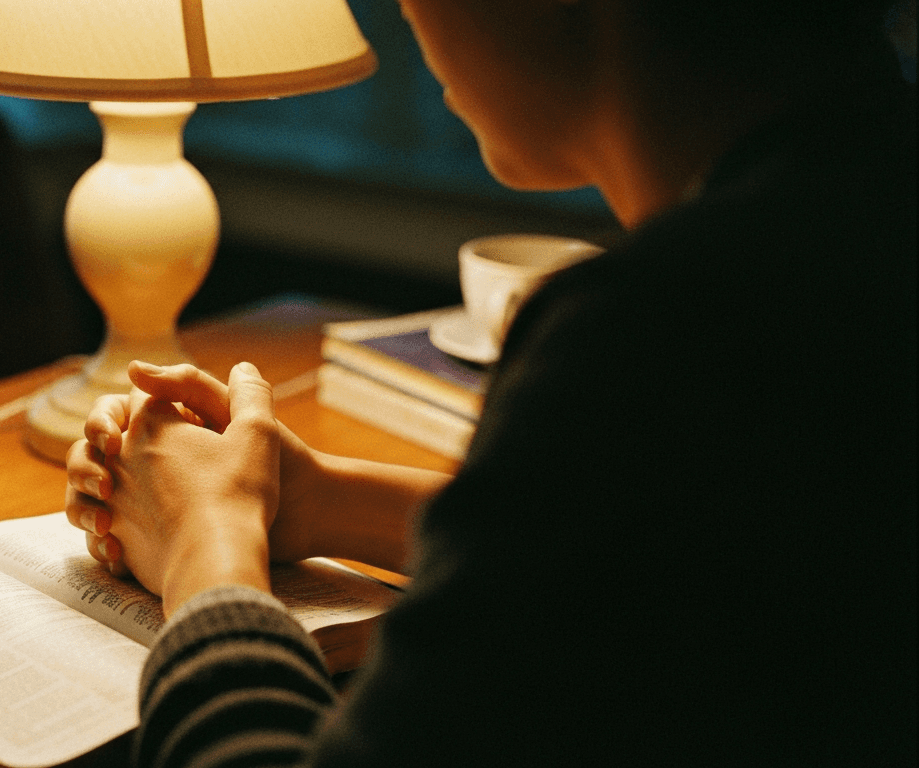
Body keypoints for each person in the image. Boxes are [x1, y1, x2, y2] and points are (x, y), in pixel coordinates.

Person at [64, 0, 916, 765]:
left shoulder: (669, 330)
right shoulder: (854, 223)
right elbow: (684, 567)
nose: (407, 14)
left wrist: (207, 541)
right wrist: (322, 500)